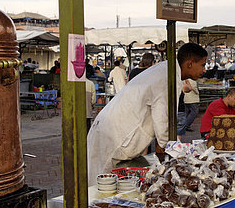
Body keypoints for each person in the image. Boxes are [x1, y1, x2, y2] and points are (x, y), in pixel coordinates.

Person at [87, 43, 207, 184]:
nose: (204, 70)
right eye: (203, 65)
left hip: (111, 131)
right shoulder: (167, 77)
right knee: (99, 187)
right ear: (190, 63)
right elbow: (163, 124)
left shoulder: (167, 70)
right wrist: (178, 154)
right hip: (112, 136)